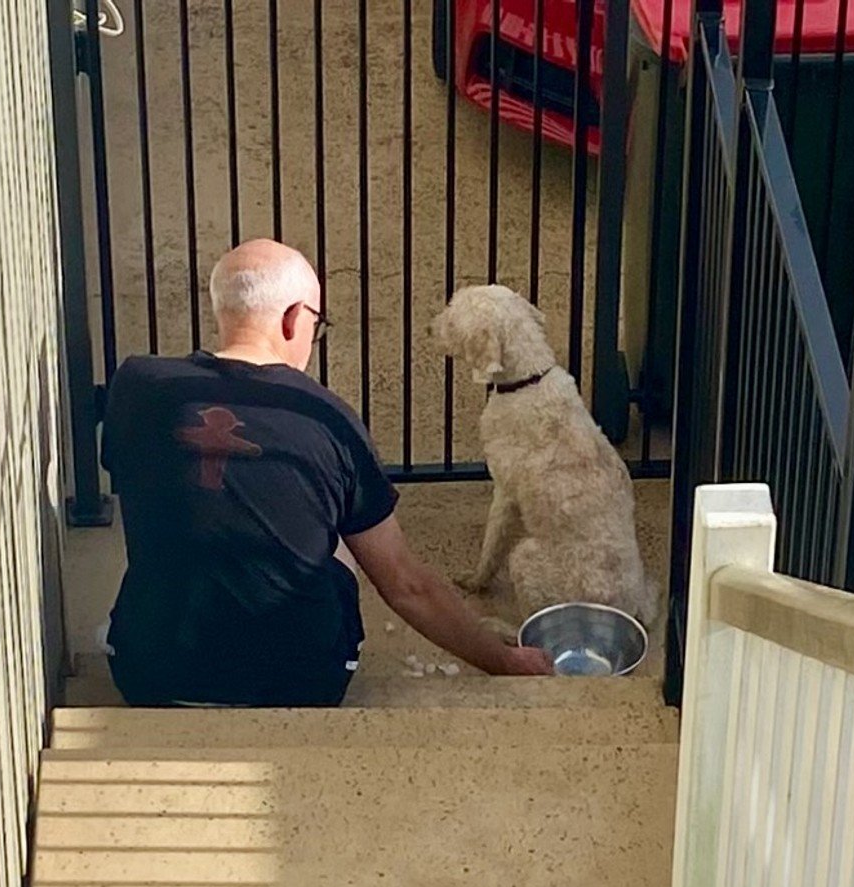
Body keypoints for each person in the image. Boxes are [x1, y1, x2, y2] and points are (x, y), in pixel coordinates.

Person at [101, 239, 554, 706]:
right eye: (316, 325)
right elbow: (405, 583)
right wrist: (505, 662)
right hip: (299, 685)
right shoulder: (328, 419)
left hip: (149, 676)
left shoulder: (137, 387)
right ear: (294, 318)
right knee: (344, 535)